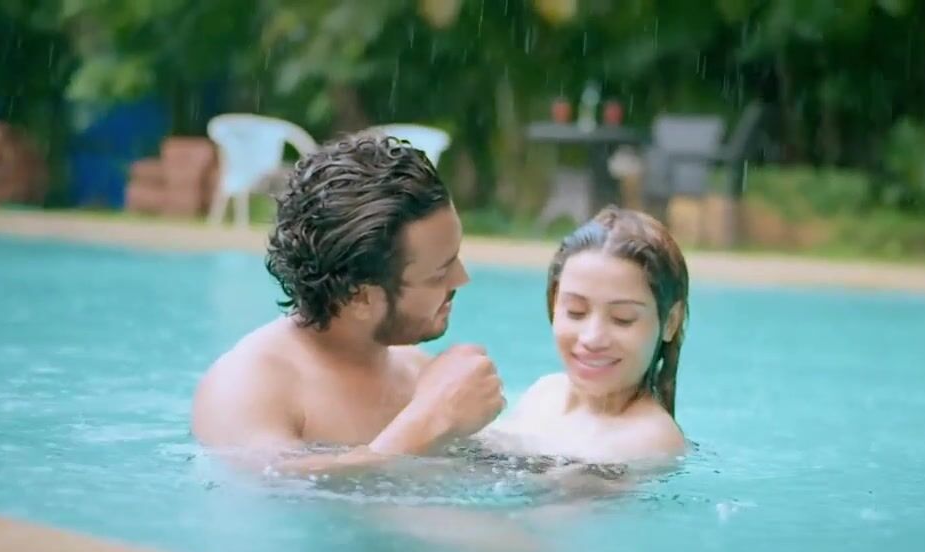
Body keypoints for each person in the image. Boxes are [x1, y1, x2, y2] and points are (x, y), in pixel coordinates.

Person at [191, 133, 505, 474]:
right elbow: (273, 485)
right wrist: (431, 419)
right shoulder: (249, 386)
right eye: (439, 272)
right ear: (361, 297)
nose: (461, 279)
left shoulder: (420, 374)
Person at [480, 206, 689, 466]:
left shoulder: (653, 438)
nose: (592, 338)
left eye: (622, 318)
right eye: (576, 312)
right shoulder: (544, 393)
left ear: (671, 322)